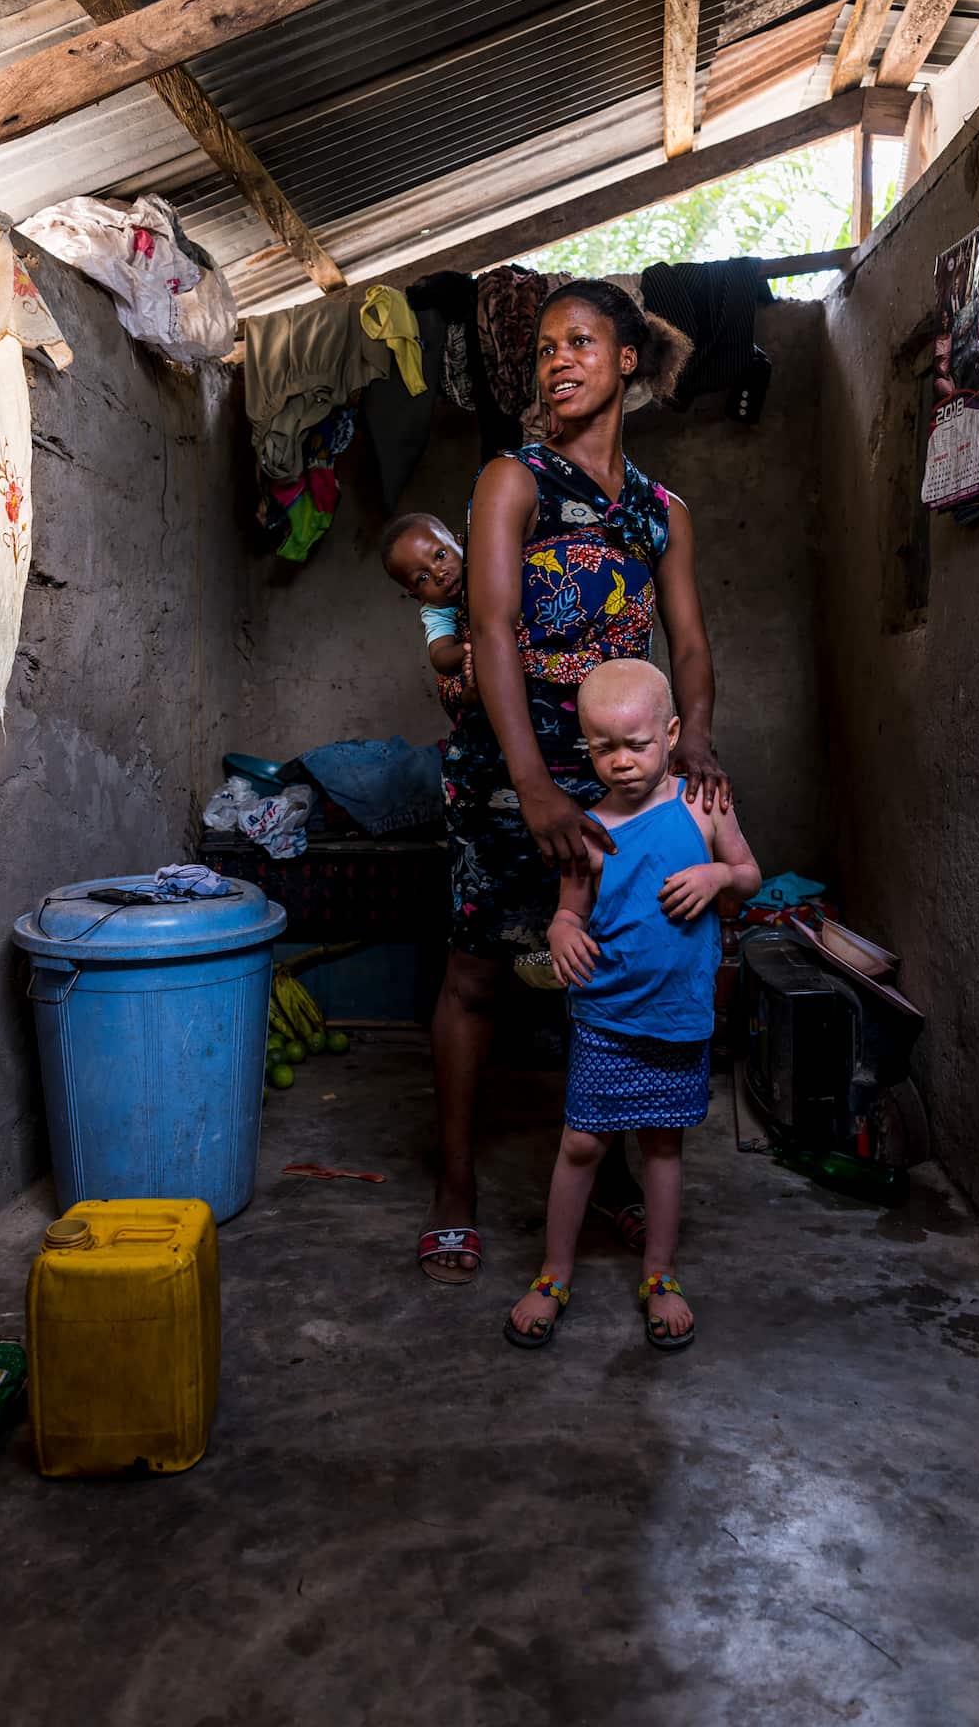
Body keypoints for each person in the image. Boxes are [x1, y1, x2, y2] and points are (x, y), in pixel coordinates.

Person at [418, 277, 731, 1284]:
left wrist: (695, 739)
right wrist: (532, 784)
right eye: (547, 346)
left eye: (581, 342)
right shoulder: (513, 480)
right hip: (509, 764)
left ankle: (614, 1175)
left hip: (619, 782)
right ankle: (455, 1190)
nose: (558, 359)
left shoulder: (660, 513)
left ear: (626, 360)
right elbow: (491, 627)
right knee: (477, 971)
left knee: (612, 967)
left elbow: (688, 642)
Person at [505, 659, 760, 1350]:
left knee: (662, 1147)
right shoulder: (586, 829)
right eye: (603, 747)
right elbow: (569, 911)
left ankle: (659, 1274)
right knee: (582, 1142)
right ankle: (555, 1272)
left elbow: (749, 875)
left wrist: (717, 874)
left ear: (671, 735)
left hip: (676, 1016)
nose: (621, 761)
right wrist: (561, 932)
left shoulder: (705, 807)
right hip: (607, 1015)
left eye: (638, 745)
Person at [380, 510, 476, 702]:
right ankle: (472, 696)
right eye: (422, 578)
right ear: (417, 596)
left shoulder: (482, 559)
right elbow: (440, 657)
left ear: (460, 542)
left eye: (440, 555)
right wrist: (469, 648)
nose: (438, 574)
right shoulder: (436, 610)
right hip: (474, 654)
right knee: (450, 686)